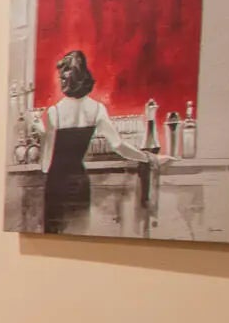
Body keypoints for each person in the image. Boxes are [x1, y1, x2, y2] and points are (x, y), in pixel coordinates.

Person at [39, 49, 162, 234]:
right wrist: (148, 157)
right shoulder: (97, 109)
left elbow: (45, 165)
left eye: (62, 77)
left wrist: (41, 133)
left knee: (54, 238)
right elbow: (119, 146)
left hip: (56, 185)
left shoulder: (53, 113)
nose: (60, 81)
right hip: (80, 183)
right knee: (78, 235)